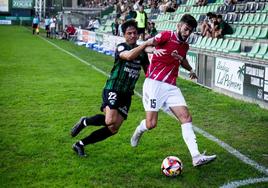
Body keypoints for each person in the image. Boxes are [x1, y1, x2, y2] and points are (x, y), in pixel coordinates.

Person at [130, 14, 217, 167]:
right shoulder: (165, 35)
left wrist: (190, 69)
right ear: (179, 26)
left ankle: (196, 156)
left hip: (171, 86)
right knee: (151, 124)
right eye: (186, 29)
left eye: (190, 31)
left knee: (186, 117)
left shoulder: (185, 46)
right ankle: (139, 130)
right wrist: (152, 51)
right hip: (154, 84)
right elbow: (147, 44)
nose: (187, 33)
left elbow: (182, 59)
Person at [70, 20, 153, 157]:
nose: (132, 35)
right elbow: (129, 56)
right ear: (124, 35)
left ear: (138, 35)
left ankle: (80, 144)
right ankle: (85, 121)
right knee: (109, 121)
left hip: (127, 94)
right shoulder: (121, 47)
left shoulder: (143, 54)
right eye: (129, 33)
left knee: (113, 128)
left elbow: (149, 72)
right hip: (113, 88)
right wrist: (145, 45)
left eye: (134, 33)